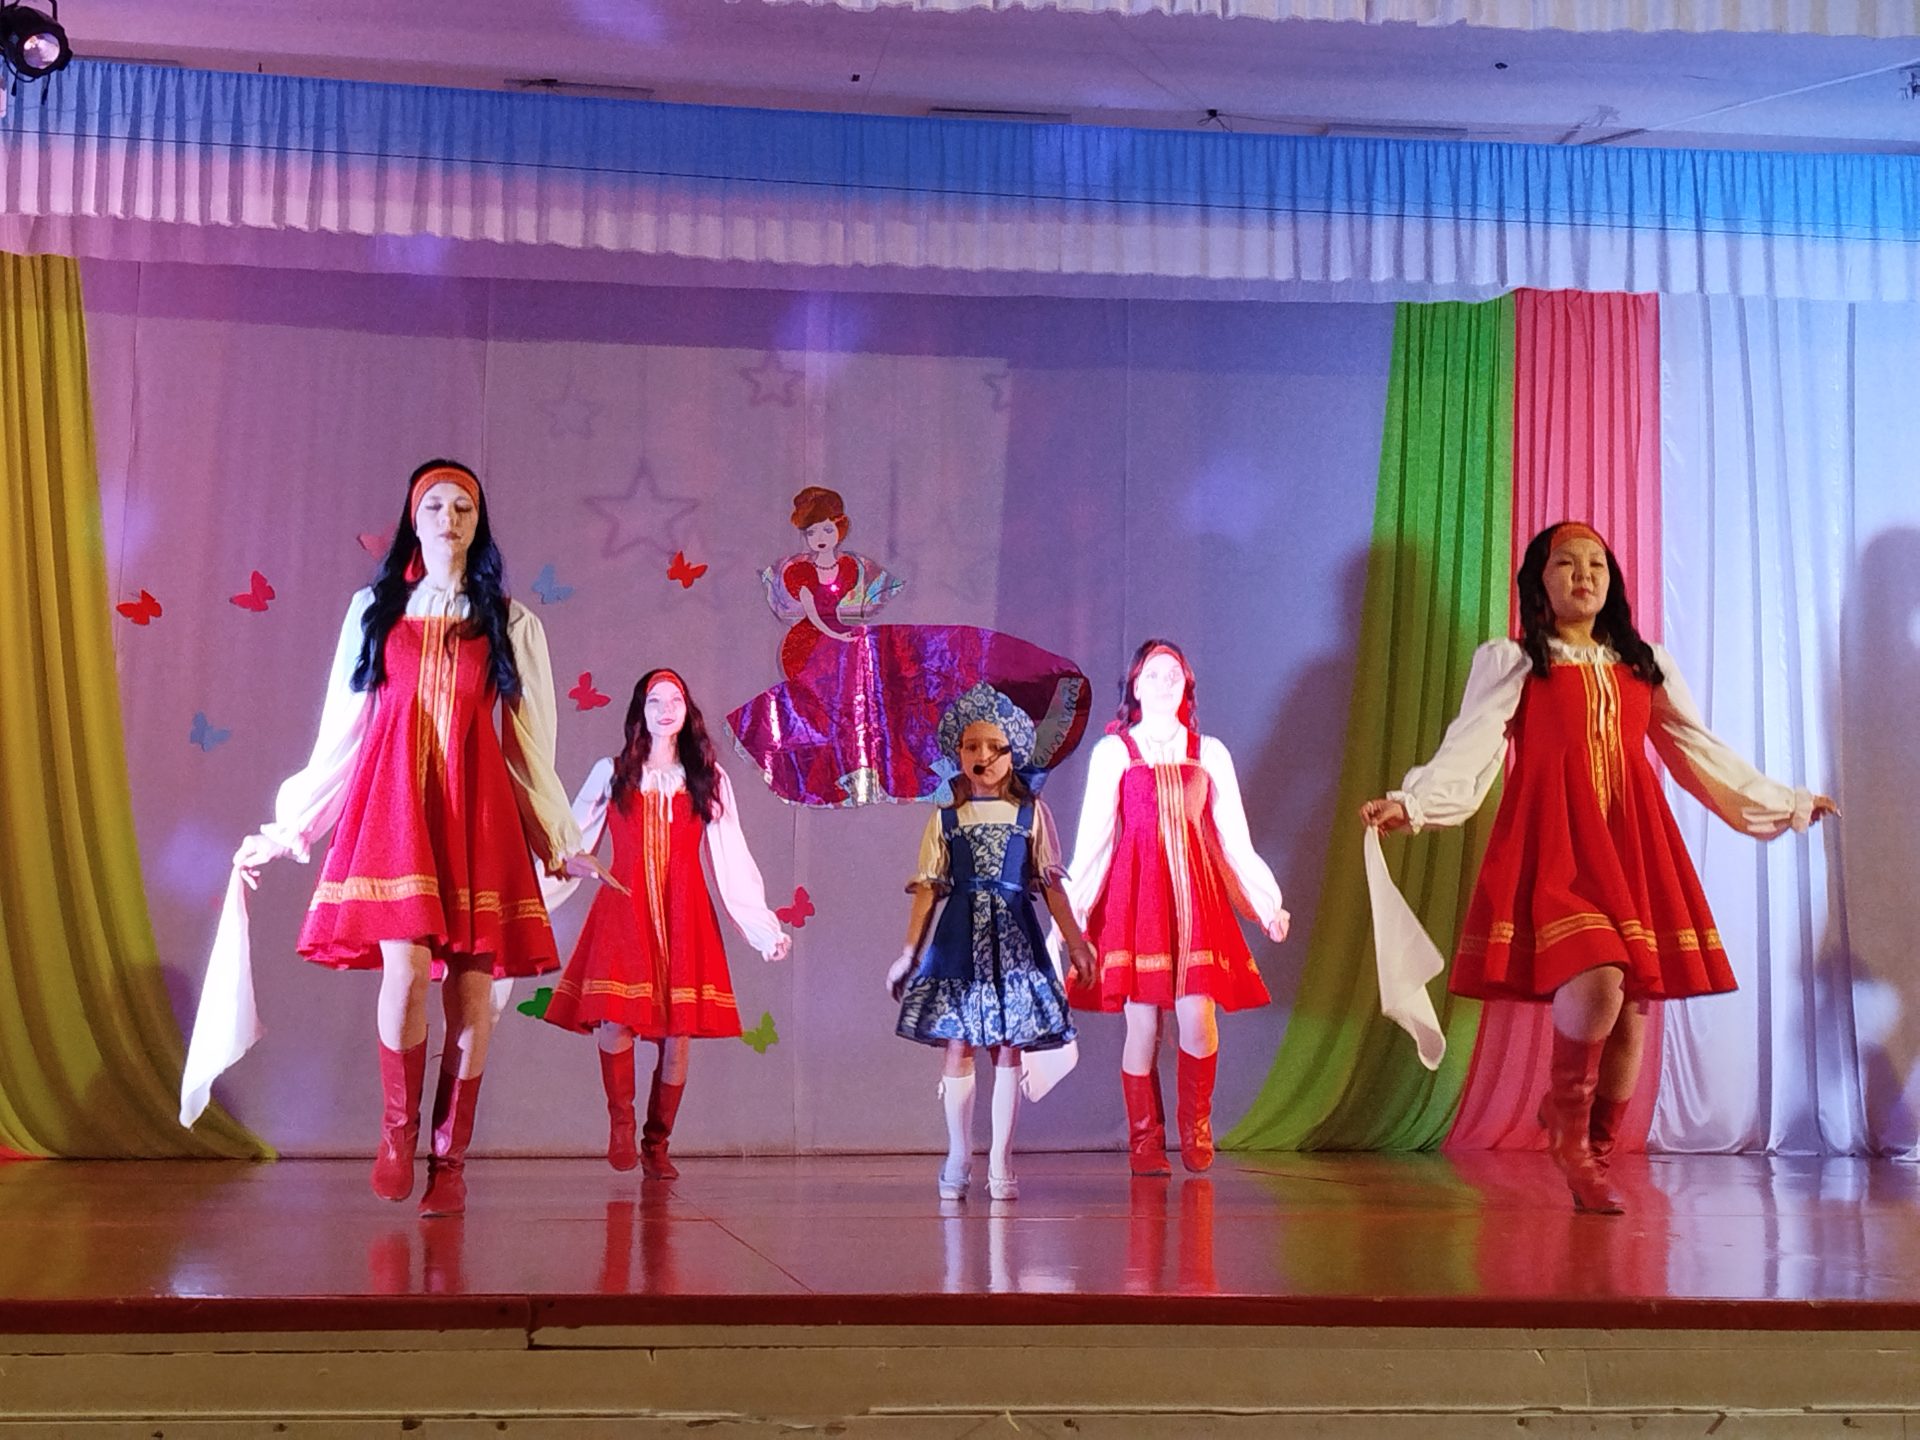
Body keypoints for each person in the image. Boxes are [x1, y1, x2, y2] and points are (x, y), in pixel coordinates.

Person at [1360, 521, 1837, 1215]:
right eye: (1566, 563)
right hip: (1556, 836)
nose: (1584, 575)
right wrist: (1415, 802)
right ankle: (1568, 1125)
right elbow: (1472, 745)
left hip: (1630, 837)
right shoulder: (1516, 661)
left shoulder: (1645, 663)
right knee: (1601, 975)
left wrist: (1781, 801)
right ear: (1540, 579)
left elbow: (1695, 750)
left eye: (1597, 565)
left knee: (1631, 1011)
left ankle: (1594, 1152)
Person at [233, 459, 606, 1216]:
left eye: (463, 507)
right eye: (435, 505)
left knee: (471, 988)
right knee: (403, 971)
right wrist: (288, 827)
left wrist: (557, 834)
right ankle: (397, 1132)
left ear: (478, 521)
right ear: (415, 517)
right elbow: (342, 731)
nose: (449, 518)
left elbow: (530, 743)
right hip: (397, 809)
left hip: (477, 814)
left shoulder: (510, 621)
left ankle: (450, 1158)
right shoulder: (375, 611)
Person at [542, 669, 790, 1178]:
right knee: (615, 1017)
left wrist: (763, 929)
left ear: (686, 710)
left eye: (674, 699)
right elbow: (570, 838)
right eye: (655, 700)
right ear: (641, 711)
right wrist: (563, 864)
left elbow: (731, 855)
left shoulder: (707, 778)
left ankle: (657, 1142)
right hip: (623, 909)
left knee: (678, 1034)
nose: (665, 709)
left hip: (684, 913)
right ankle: (621, 1121)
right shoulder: (612, 773)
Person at [1064, 640, 1291, 1177]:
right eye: (1153, 674)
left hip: (1195, 898)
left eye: (1174, 674)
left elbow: (1235, 838)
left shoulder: (1208, 752)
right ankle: (1145, 1141)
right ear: (1135, 685)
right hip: (1137, 900)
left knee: (1198, 1019)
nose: (1164, 682)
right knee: (1142, 1026)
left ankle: (1196, 1127)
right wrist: (1070, 918)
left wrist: (1267, 903)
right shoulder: (1114, 753)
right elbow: (1093, 843)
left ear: (1186, 685)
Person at [727, 486, 1092, 807]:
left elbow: (857, 603)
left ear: (838, 528)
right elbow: (815, 617)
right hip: (814, 645)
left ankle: (1035, 697)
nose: (820, 537)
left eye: (826, 529)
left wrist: (852, 628)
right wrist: (841, 635)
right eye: (812, 531)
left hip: (844, 638)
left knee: (922, 663)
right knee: (858, 696)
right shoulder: (800, 574)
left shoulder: (852, 568)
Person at [887, 684, 1096, 1201]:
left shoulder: (1031, 814)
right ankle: (959, 1154)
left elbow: (1050, 884)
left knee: (1009, 1043)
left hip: (1015, 941)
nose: (983, 756)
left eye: (994, 747)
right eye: (972, 747)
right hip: (959, 940)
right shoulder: (946, 816)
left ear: (1012, 752)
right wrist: (909, 953)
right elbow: (929, 888)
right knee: (958, 1041)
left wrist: (1076, 942)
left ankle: (1001, 1158)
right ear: (958, 753)